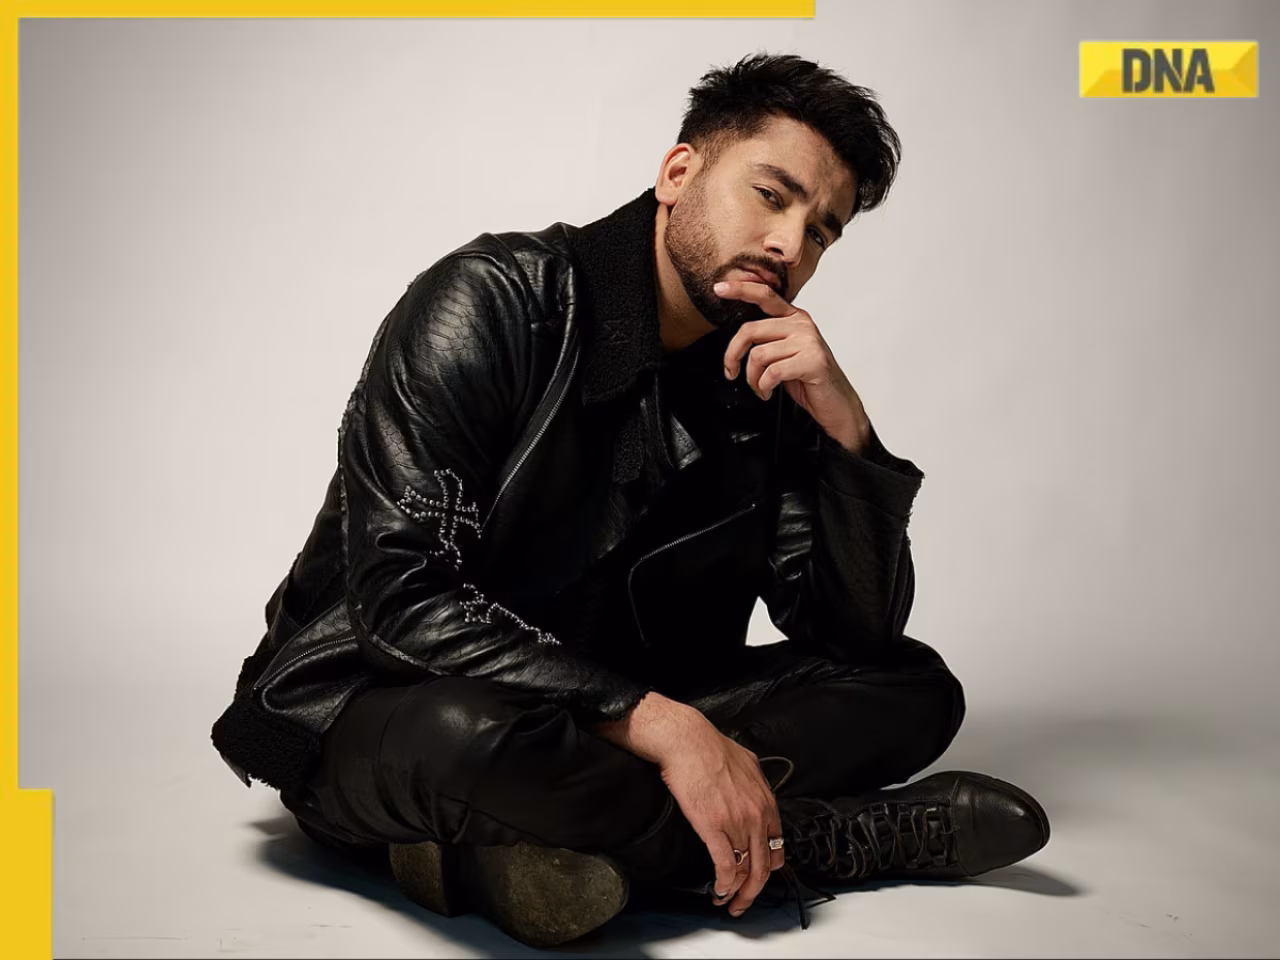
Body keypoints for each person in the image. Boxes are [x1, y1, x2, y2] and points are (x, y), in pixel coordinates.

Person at [211, 52, 1049, 948]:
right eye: (771, 196)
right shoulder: (494, 298)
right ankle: (807, 844)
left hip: (603, 718)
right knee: (467, 735)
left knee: (915, 688)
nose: (788, 246)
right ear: (678, 174)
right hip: (384, 702)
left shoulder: (765, 374)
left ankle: (523, 850)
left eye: (821, 232)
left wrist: (849, 439)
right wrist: (662, 727)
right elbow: (401, 602)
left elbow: (855, 639)